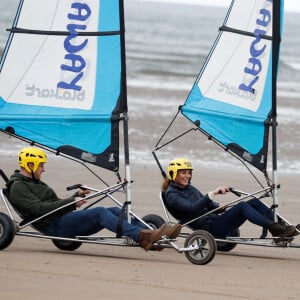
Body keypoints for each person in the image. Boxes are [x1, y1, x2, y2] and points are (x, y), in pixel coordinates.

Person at [7, 147, 182, 251]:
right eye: (41, 166)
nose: (43, 170)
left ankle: (154, 237)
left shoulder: (34, 183)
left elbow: (51, 205)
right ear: (30, 165)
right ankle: (142, 237)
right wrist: (70, 202)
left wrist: (75, 197)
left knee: (113, 210)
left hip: (61, 219)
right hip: (55, 227)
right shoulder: (18, 188)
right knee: (99, 212)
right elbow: (39, 210)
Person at [162, 158, 298, 239]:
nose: (187, 176)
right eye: (183, 173)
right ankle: (274, 228)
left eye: (189, 173)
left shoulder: (189, 188)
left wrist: (219, 206)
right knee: (242, 206)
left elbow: (208, 206)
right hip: (209, 229)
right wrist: (213, 193)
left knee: (254, 201)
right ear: (173, 174)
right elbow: (192, 209)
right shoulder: (172, 195)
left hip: (215, 221)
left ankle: (281, 225)